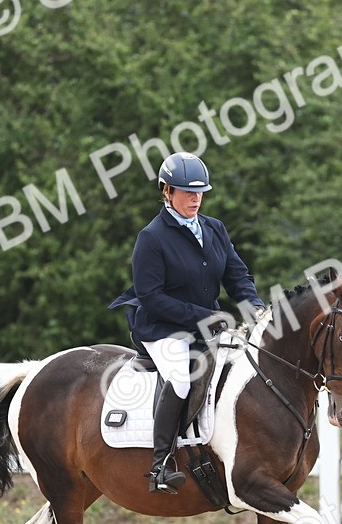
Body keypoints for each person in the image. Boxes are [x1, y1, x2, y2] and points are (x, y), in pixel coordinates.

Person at [109, 151, 265, 493]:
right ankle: (160, 465)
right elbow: (152, 297)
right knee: (181, 378)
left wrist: (253, 306)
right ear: (167, 191)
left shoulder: (214, 229)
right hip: (162, 328)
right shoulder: (151, 238)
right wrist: (205, 317)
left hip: (207, 326)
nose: (195, 198)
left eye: (200, 192)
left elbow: (237, 274)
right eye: (186, 192)